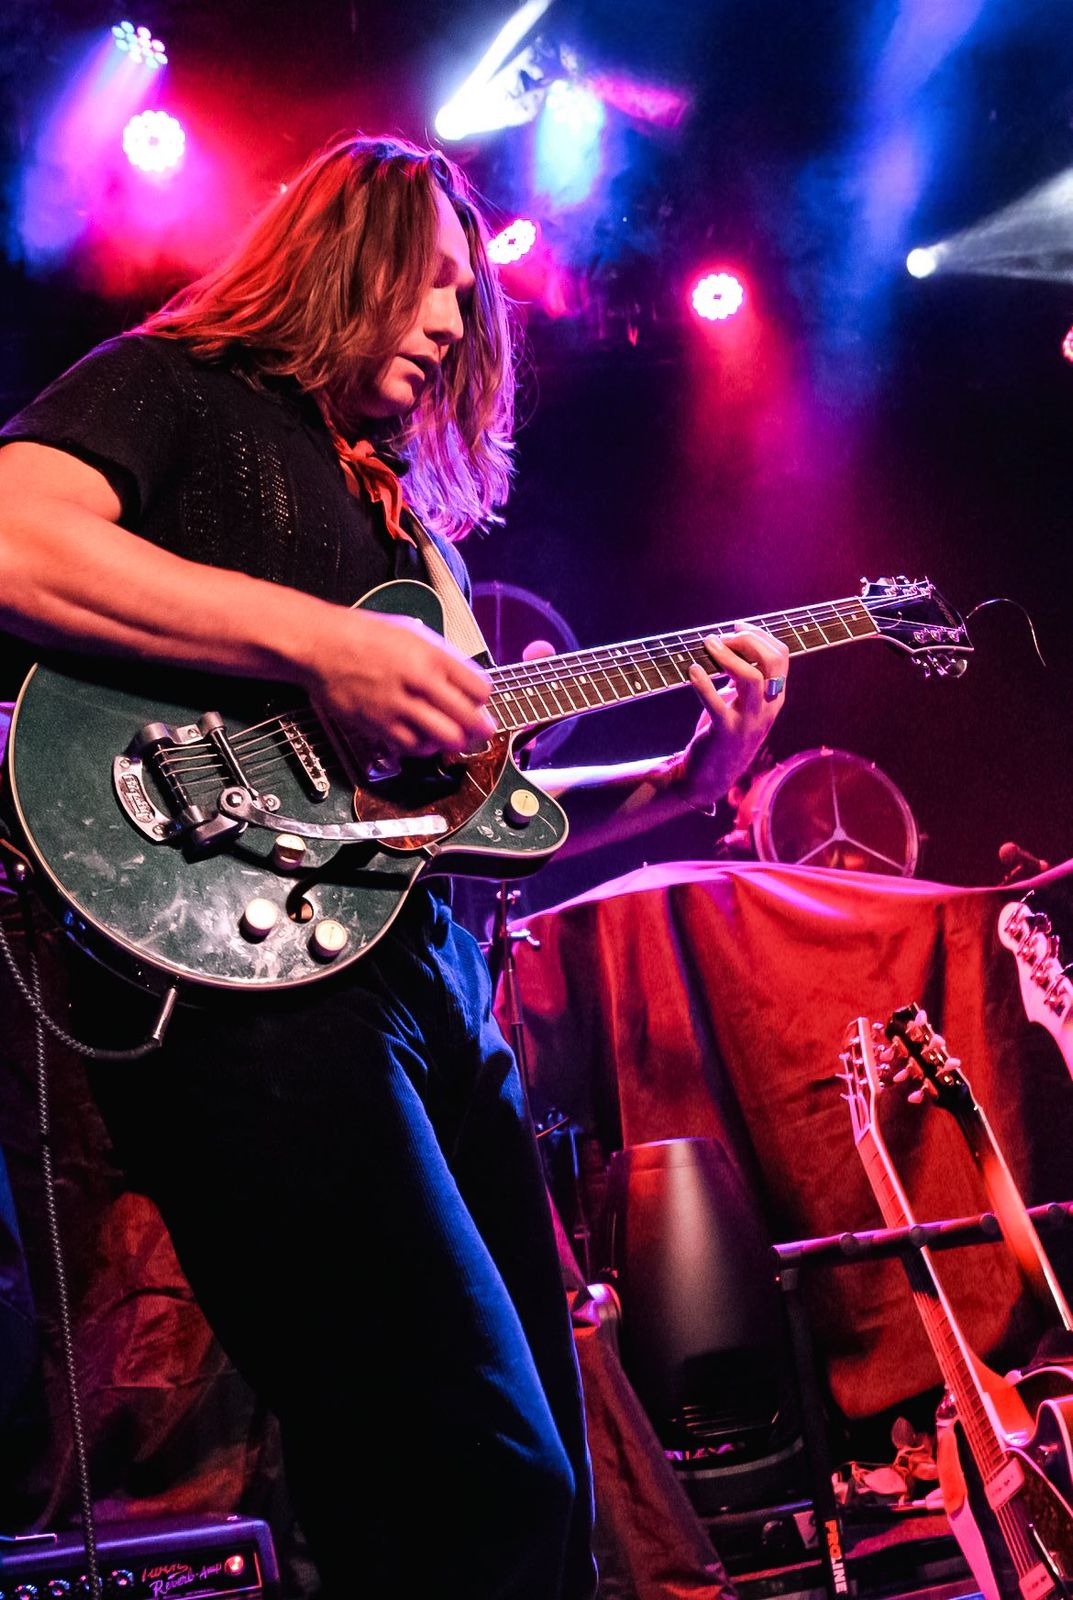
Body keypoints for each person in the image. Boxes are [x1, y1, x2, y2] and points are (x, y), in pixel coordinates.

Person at [0, 135, 789, 1597]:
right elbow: (12, 540)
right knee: (472, 1473)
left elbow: (471, 827)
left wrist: (687, 785)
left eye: (467, 296)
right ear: (335, 259)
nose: (451, 318)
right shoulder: (172, 387)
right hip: (253, 989)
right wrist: (322, 644)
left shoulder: (411, 540)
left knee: (538, 1498)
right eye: (425, 280)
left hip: (430, 989)